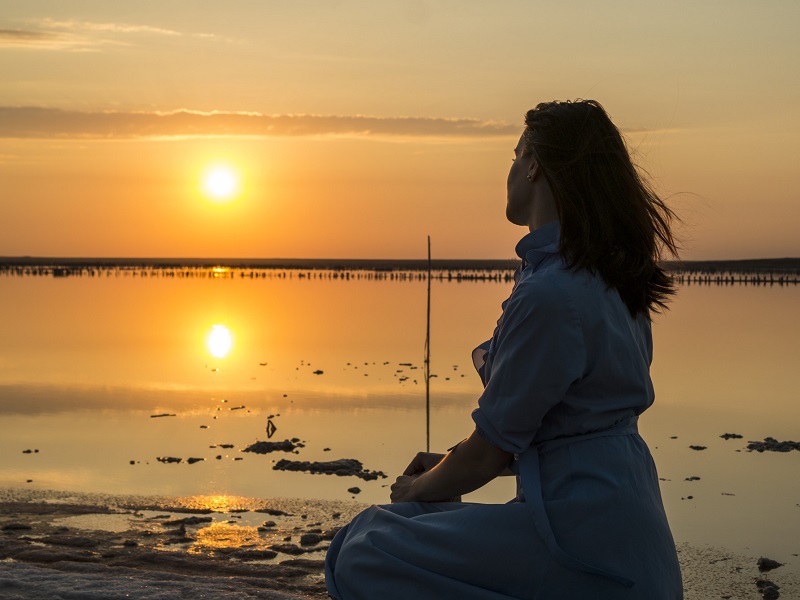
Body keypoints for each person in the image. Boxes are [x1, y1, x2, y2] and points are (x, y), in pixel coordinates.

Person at [324, 99, 683, 599]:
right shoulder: (615, 282)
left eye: (516, 157)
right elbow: (567, 430)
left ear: (535, 164)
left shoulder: (552, 294)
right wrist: (449, 463)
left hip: (581, 550)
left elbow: (489, 453)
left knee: (364, 546)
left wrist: (416, 488)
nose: (510, 171)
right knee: (402, 523)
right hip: (634, 546)